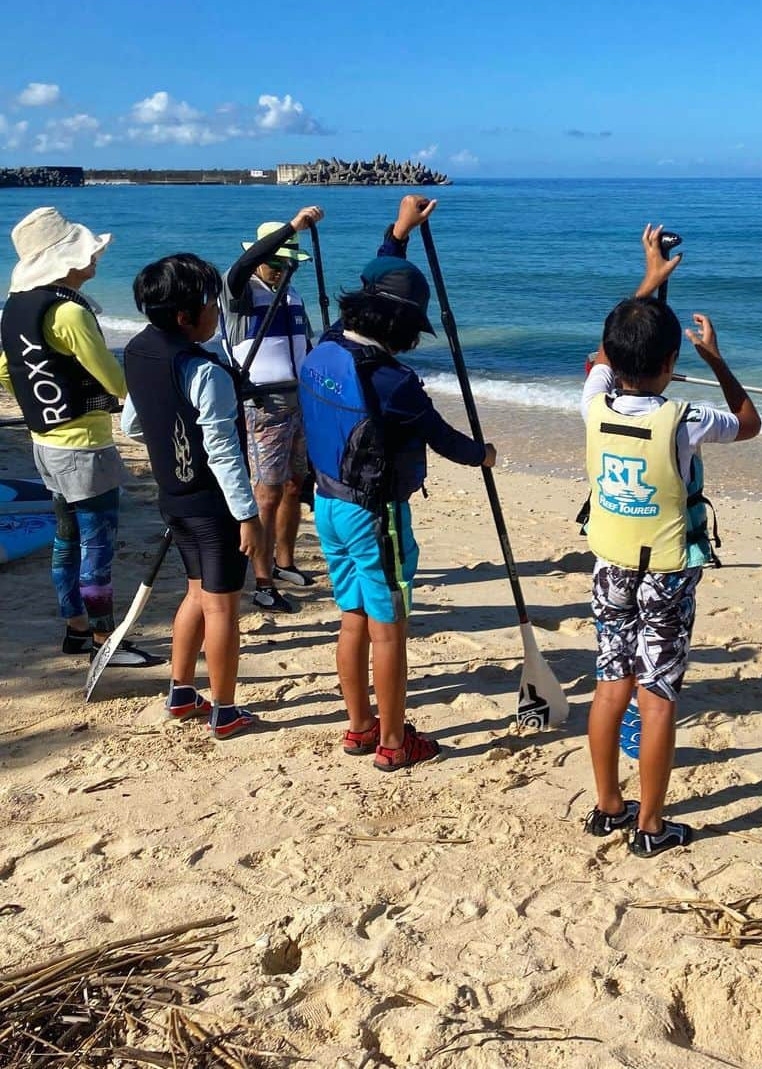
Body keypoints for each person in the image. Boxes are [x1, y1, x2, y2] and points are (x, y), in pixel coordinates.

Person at [297, 196, 495, 771]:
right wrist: (483, 454)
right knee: (390, 629)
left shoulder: (329, 343)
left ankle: (359, 728)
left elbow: (382, 282)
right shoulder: (393, 381)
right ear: (404, 328)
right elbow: (445, 440)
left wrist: (399, 234)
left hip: (328, 504)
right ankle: (391, 741)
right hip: (376, 518)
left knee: (352, 617)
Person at [581, 225, 761, 858]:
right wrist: (714, 357)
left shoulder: (592, 401)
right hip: (665, 572)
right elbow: (748, 423)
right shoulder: (685, 417)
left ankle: (607, 806)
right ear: (669, 368)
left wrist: (652, 280)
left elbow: (604, 356)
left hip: (610, 564)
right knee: (657, 697)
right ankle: (650, 826)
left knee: (611, 684)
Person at [0, 206, 161, 667]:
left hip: (44, 440)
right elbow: (115, 381)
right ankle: (103, 640)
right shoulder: (69, 312)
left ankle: (75, 628)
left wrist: (37, 403)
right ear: (67, 261)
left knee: (66, 538)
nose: (96, 259)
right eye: (89, 252)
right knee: (98, 543)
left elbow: (4, 370)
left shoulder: (17, 307)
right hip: (84, 446)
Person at [122, 254, 262, 739]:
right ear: (185, 315)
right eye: (210, 304)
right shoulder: (205, 370)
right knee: (223, 606)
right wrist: (248, 515)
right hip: (213, 504)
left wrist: (172, 443)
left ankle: (181, 692)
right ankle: (225, 709)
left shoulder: (139, 350)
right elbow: (224, 452)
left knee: (196, 593)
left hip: (173, 496)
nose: (216, 313)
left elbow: (132, 423)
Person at [221, 206, 324, 613]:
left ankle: (284, 563)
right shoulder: (240, 293)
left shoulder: (292, 293)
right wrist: (291, 229)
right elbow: (242, 264)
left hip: (301, 400)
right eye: (275, 261)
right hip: (263, 403)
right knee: (265, 494)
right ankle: (262, 582)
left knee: (294, 487)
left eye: (288, 263)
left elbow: (307, 346)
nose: (281, 269)